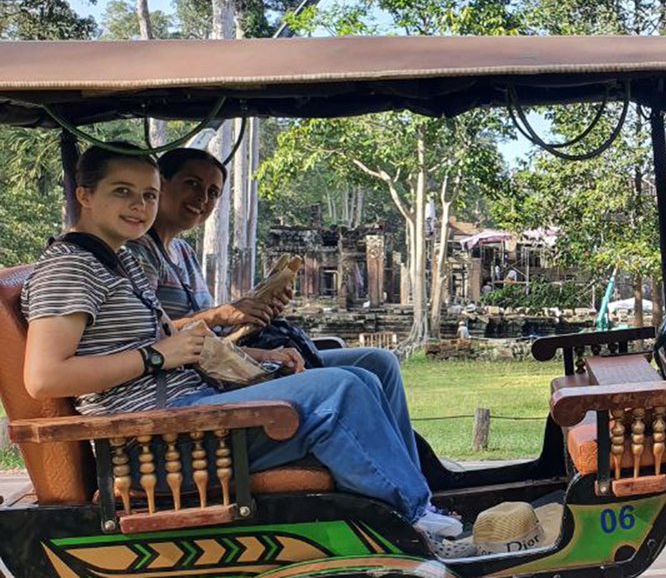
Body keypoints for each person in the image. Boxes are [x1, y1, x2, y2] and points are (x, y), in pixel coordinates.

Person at [20, 144, 461, 545]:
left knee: (361, 375)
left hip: (186, 416)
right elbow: (44, 378)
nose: (139, 206)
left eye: (149, 195)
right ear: (84, 195)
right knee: (340, 392)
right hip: (152, 442)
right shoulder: (71, 269)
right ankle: (410, 518)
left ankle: (412, 503)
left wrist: (253, 356)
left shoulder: (117, 261)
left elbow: (176, 343)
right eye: (122, 192)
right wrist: (155, 355)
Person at [126, 148, 421, 467]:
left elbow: (217, 334)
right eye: (193, 184)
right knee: (350, 381)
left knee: (379, 361)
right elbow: (159, 336)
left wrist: (255, 311)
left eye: (213, 192)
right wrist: (223, 314)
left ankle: (410, 468)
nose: (203, 199)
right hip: (199, 380)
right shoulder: (138, 253)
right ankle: (401, 483)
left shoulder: (183, 252)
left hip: (227, 359)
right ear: (161, 183)